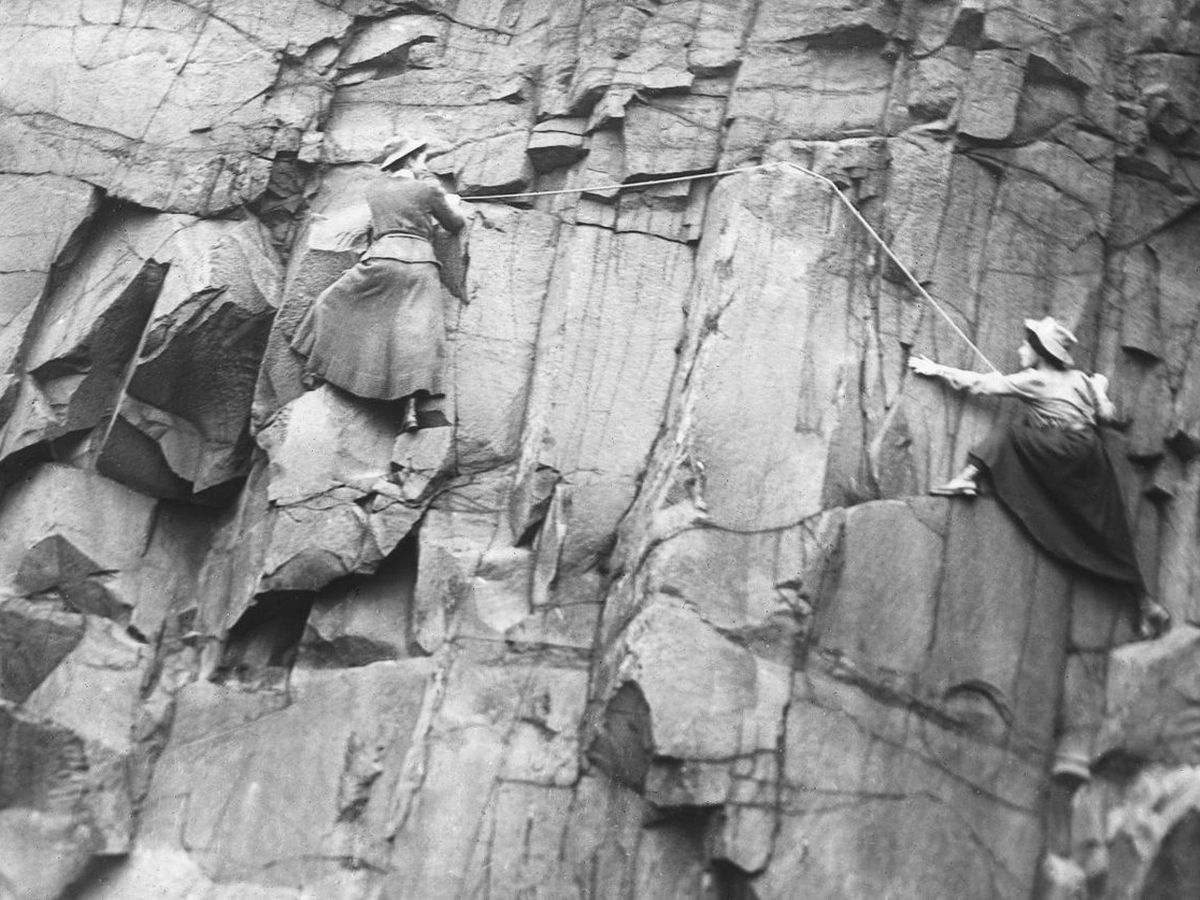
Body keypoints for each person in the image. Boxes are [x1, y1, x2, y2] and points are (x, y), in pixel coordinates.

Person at [908, 316, 1171, 639]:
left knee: (1010, 434)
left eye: (1025, 345)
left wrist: (937, 369)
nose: (1020, 350)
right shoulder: (1079, 377)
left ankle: (969, 477)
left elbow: (979, 383)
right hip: (1091, 456)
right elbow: (1106, 415)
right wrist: (1099, 391)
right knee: (1107, 531)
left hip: (1065, 452)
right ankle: (1146, 605)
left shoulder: (1033, 380)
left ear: (1039, 352)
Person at [292, 137, 466, 431]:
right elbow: (454, 224)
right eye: (421, 157)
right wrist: (453, 203)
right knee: (415, 334)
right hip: (421, 266)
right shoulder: (429, 188)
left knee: (331, 301)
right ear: (410, 160)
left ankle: (318, 368)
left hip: (383, 260)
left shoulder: (375, 190)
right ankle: (410, 409)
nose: (424, 163)